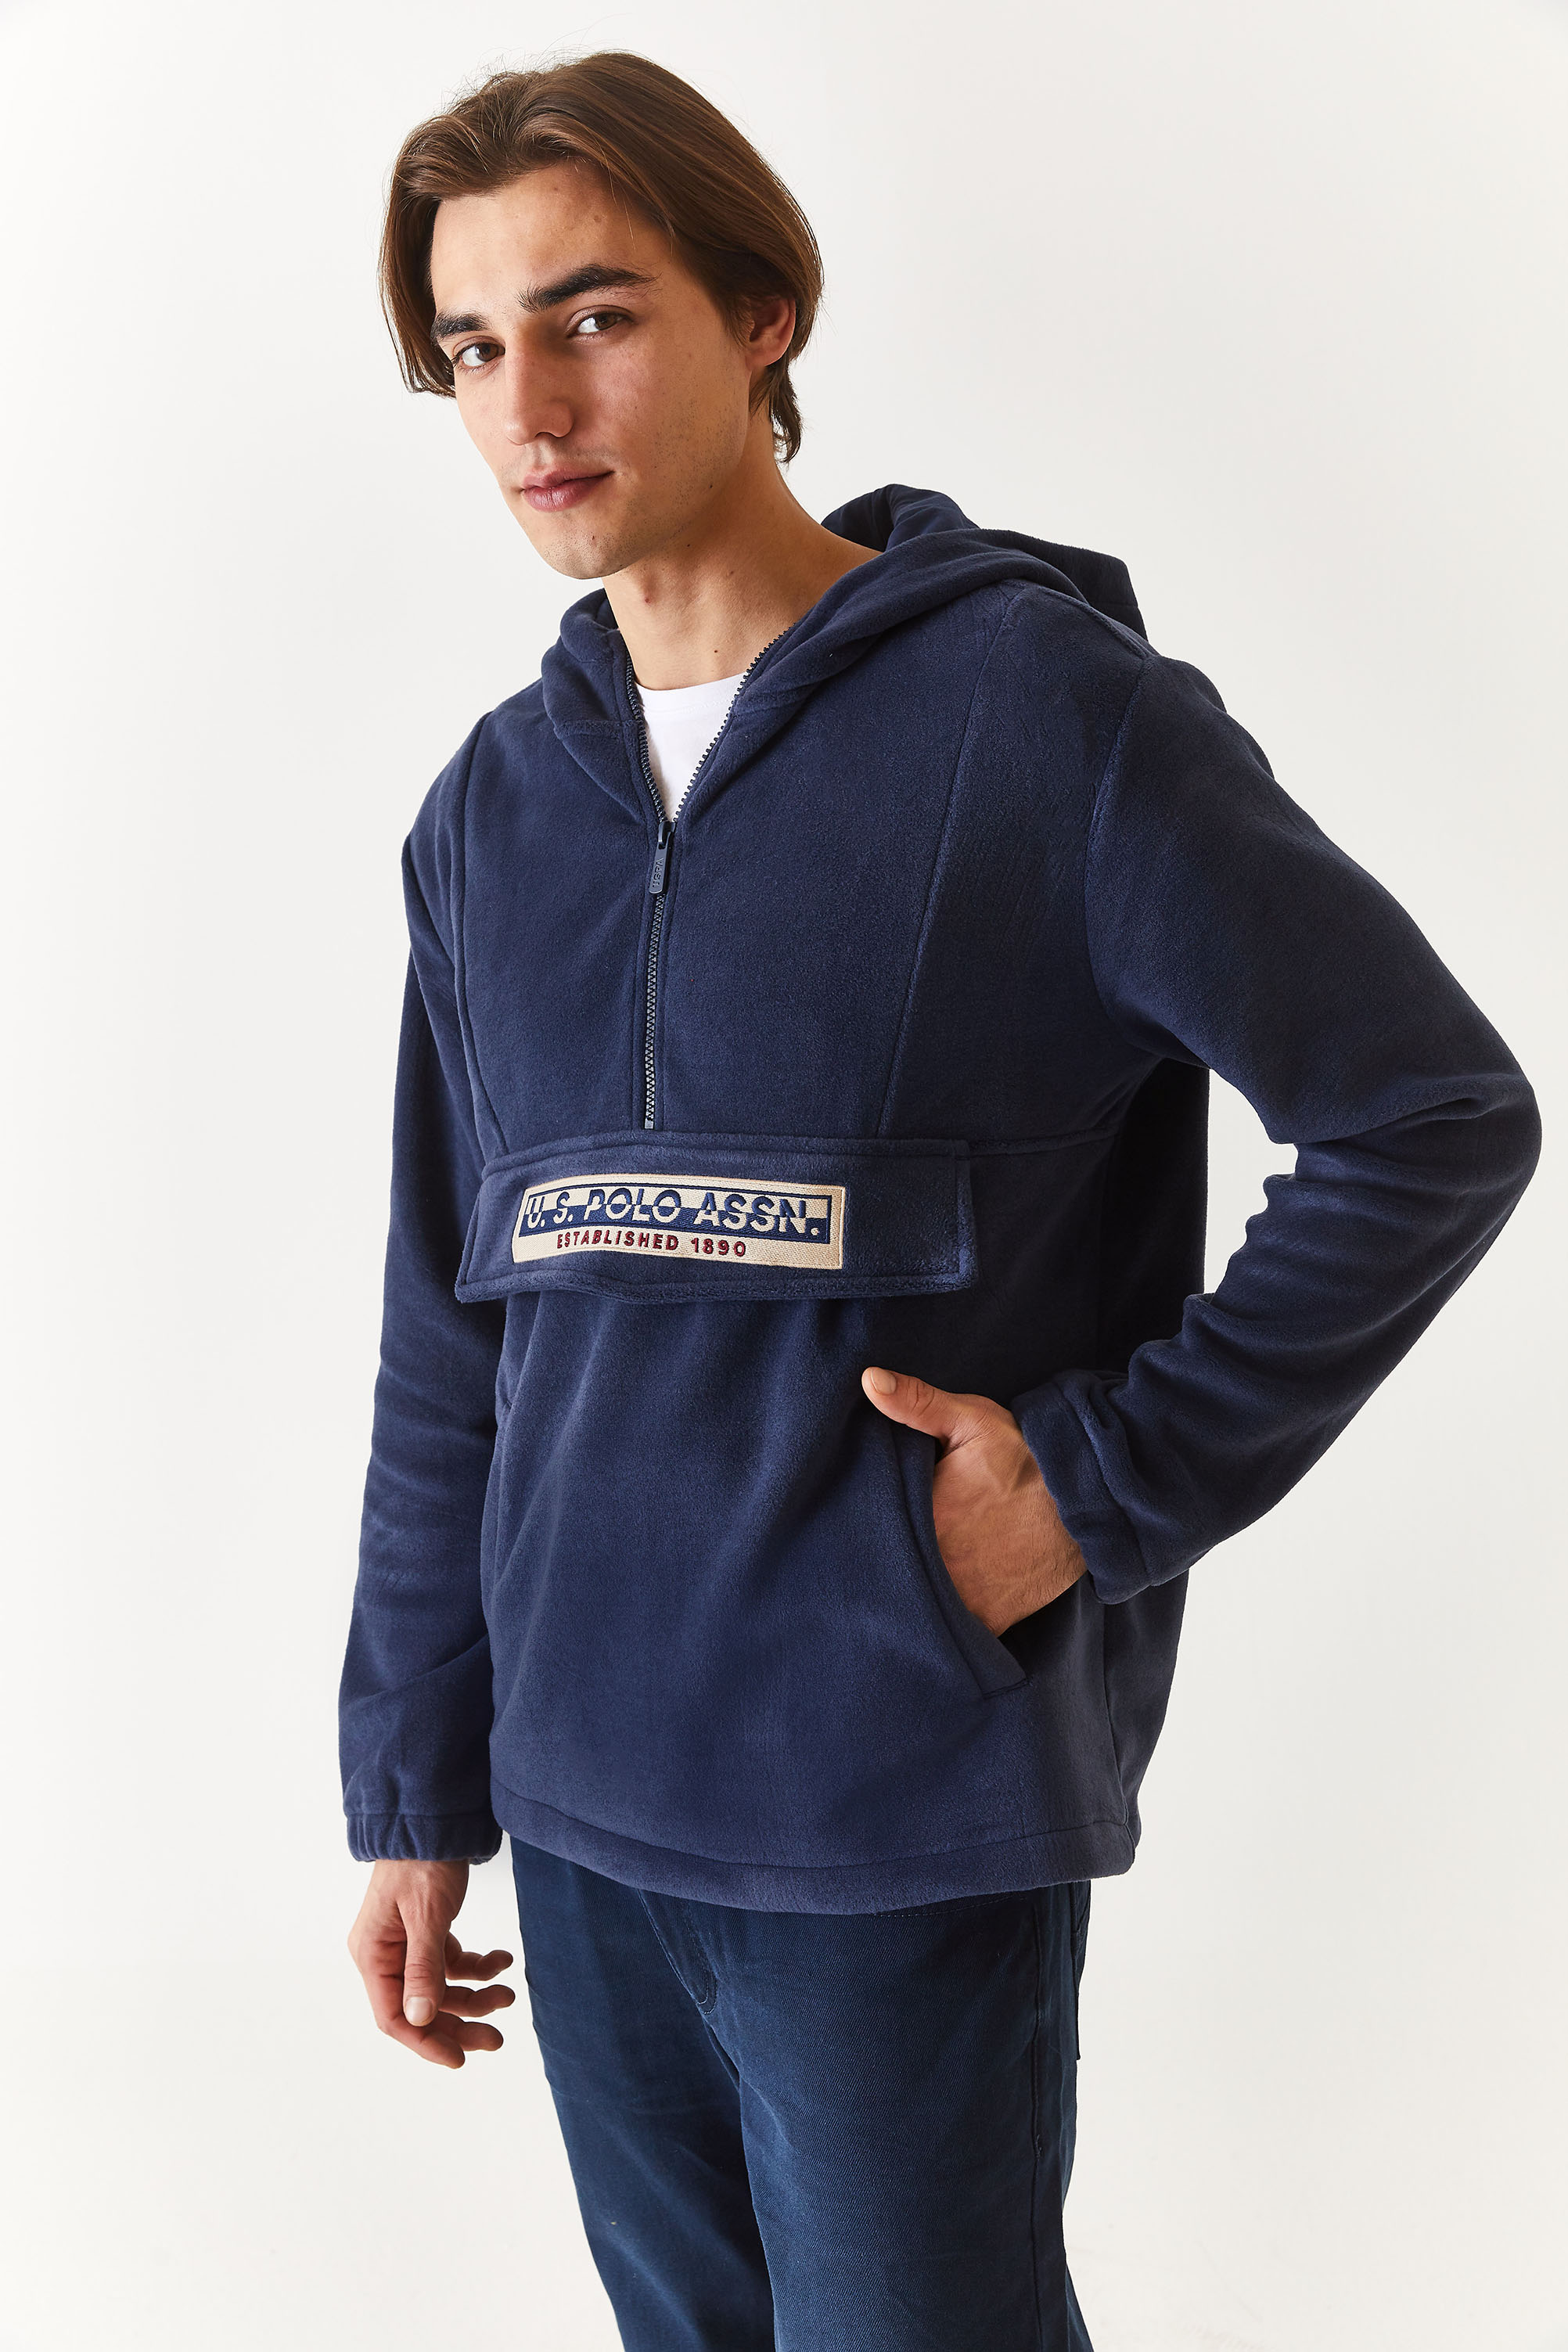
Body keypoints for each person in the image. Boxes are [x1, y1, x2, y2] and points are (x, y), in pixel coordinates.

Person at [340, 52, 1539, 2352]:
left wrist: (1093, 1486)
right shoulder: (491, 815)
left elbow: (1428, 1116)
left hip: (884, 1785)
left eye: (592, 317)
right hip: (576, 1808)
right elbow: (449, 1323)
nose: (529, 407)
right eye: (472, 348)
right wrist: (412, 1773)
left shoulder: (1041, 718)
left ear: (761, 312)